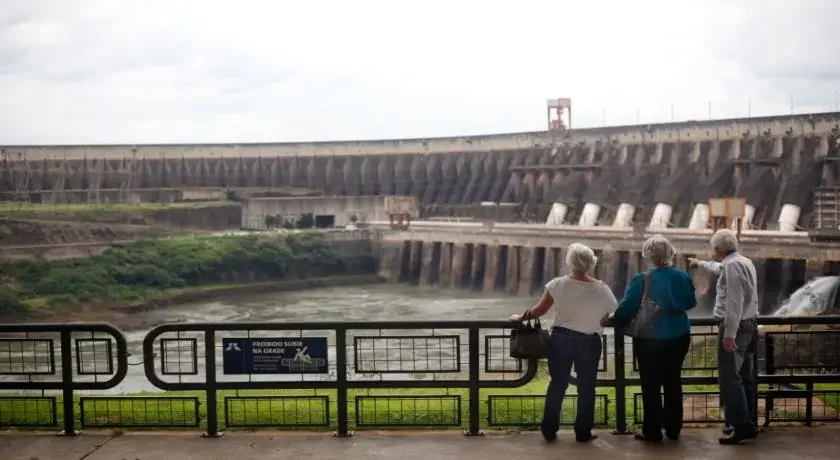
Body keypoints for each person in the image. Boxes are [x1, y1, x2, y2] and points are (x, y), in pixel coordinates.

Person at [509, 243, 617, 443]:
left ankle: (549, 429)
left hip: (561, 339)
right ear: (591, 263)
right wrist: (600, 320)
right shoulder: (602, 288)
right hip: (589, 341)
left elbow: (539, 311)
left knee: (557, 384)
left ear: (570, 261)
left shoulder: (557, 284)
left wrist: (520, 317)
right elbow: (613, 314)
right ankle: (583, 432)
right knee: (587, 388)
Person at [606, 235, 697, 443]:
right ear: (670, 253)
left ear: (648, 255)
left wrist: (614, 318)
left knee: (651, 384)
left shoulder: (643, 279)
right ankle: (674, 429)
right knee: (673, 381)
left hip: (650, 337)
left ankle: (652, 431)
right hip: (679, 335)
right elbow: (691, 302)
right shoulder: (682, 276)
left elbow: (626, 307)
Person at [688, 228, 759, 444]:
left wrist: (729, 334)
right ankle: (749, 421)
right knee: (746, 376)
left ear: (718, 249)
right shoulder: (743, 262)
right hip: (750, 324)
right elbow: (720, 269)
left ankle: (740, 425)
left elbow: (734, 301)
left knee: (730, 378)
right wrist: (700, 264)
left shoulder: (732, 265)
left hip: (735, 327)